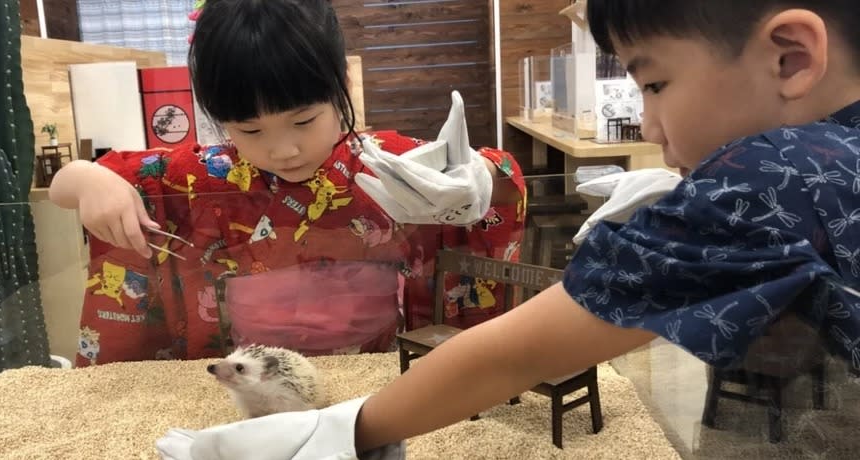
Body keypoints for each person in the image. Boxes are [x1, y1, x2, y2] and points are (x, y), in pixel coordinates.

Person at [153, 1, 860, 458]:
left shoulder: (772, 174)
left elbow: (518, 347)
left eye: (653, 84)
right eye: (249, 130)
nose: (645, 125)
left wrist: (335, 432)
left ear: (791, 56)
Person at [48, 0, 527, 366]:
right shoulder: (203, 176)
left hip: (375, 370)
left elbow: (498, 170)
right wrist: (90, 179)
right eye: (250, 130)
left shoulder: (385, 162)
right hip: (248, 377)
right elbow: (66, 185)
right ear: (219, 119)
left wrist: (477, 179)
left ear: (340, 84)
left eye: (303, 121)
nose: (282, 150)